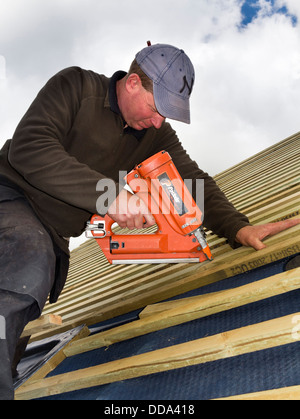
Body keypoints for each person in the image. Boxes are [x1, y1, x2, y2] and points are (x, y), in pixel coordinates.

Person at [0, 42, 298, 400]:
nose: (159, 121)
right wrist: (109, 196)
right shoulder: (76, 87)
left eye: (166, 115)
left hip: (53, 233)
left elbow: (192, 181)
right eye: (158, 108)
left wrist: (238, 227)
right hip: (10, 196)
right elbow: (31, 147)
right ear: (132, 84)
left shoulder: (154, 134)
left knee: (25, 303)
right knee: (28, 262)